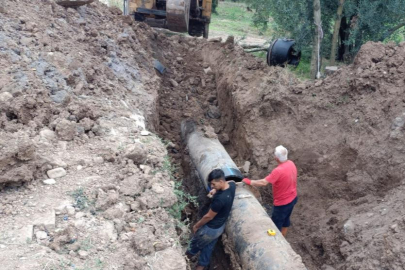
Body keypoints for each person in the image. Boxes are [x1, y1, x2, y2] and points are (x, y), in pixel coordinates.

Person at [242, 145, 297, 237]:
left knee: (275, 226)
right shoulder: (291, 163)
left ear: (276, 158)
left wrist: (249, 181)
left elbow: (264, 182)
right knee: (286, 219)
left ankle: (278, 242)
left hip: (282, 204)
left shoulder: (278, 171)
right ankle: (283, 236)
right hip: (293, 198)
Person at [186, 169, 236, 270]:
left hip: (210, 230)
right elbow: (232, 181)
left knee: (194, 245)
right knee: (207, 249)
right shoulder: (231, 187)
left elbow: (208, 216)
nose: (211, 186)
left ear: (221, 182)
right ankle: (201, 266)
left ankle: (183, 260)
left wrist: (197, 225)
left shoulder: (220, 200)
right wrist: (215, 190)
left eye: (213, 184)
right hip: (220, 227)